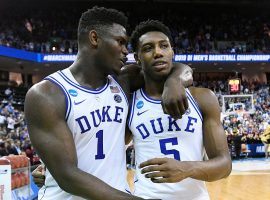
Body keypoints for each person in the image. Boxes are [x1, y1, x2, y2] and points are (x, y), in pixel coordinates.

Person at [25, 7, 192, 200]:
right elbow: (67, 176)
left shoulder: (123, 81)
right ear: (94, 39)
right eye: (120, 42)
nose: (125, 51)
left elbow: (171, 67)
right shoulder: (47, 94)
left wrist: (175, 81)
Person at [126, 20, 232, 200]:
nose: (158, 52)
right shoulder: (129, 102)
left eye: (164, 46)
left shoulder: (203, 98)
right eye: (148, 48)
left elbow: (224, 165)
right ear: (137, 58)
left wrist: (186, 168)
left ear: (172, 52)